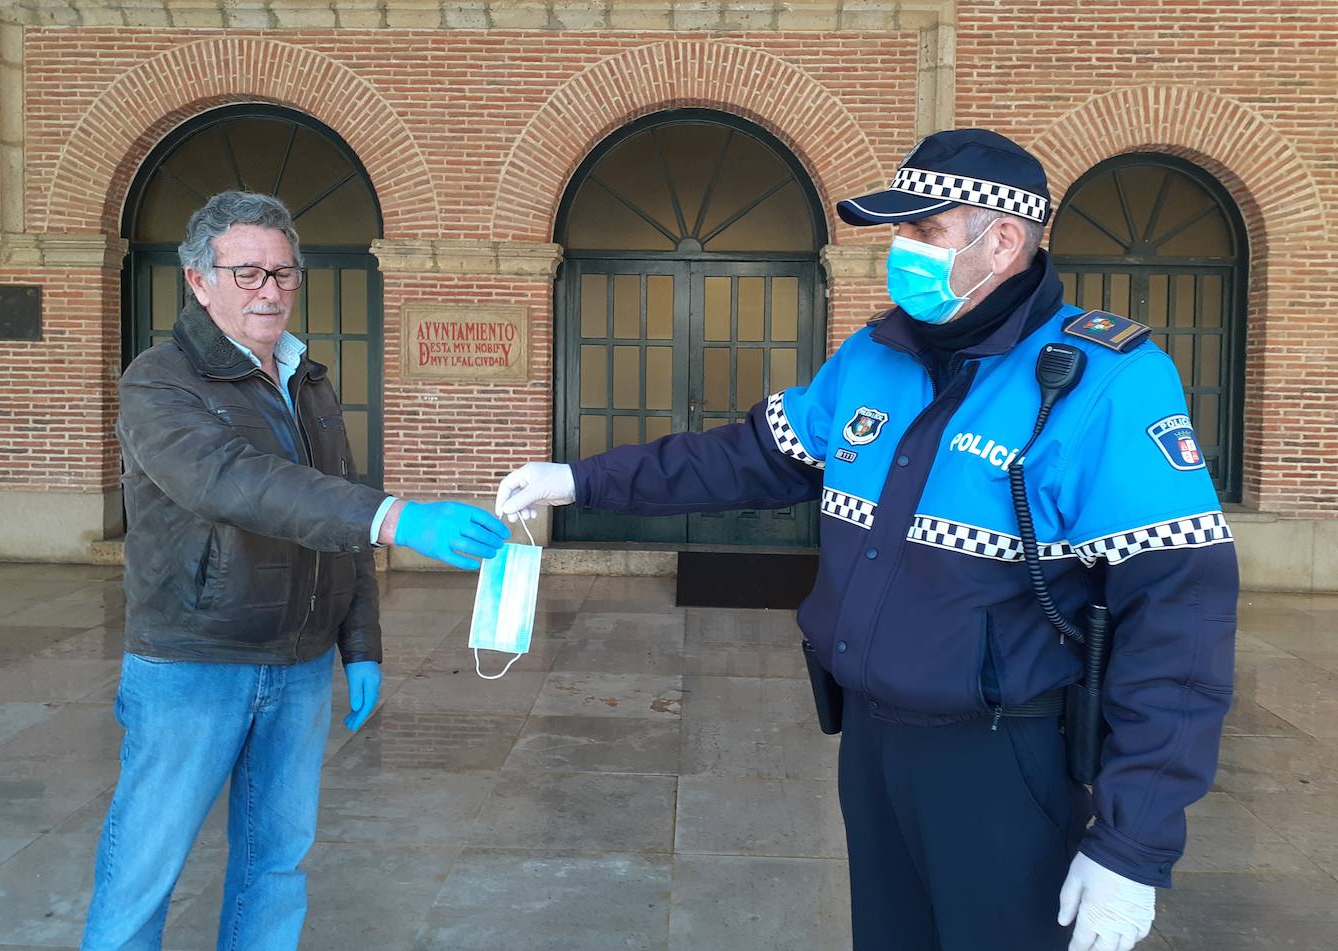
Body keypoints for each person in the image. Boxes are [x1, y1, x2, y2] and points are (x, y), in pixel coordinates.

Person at [496, 129, 1237, 951]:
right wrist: (581, 480)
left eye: (923, 232)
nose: (900, 252)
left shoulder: (1106, 381)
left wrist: (1133, 843)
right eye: (897, 233)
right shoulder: (873, 356)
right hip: (874, 745)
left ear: (1002, 239)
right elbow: (748, 457)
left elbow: (1181, 621)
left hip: (1004, 760)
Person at [82, 191, 509, 951]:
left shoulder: (305, 376)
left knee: (276, 864)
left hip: (301, 664)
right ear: (197, 278)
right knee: (145, 863)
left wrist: (362, 643)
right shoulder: (160, 381)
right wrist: (400, 516)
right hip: (195, 660)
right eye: (247, 272)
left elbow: (331, 508)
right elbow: (235, 481)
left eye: (284, 272)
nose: (270, 289)